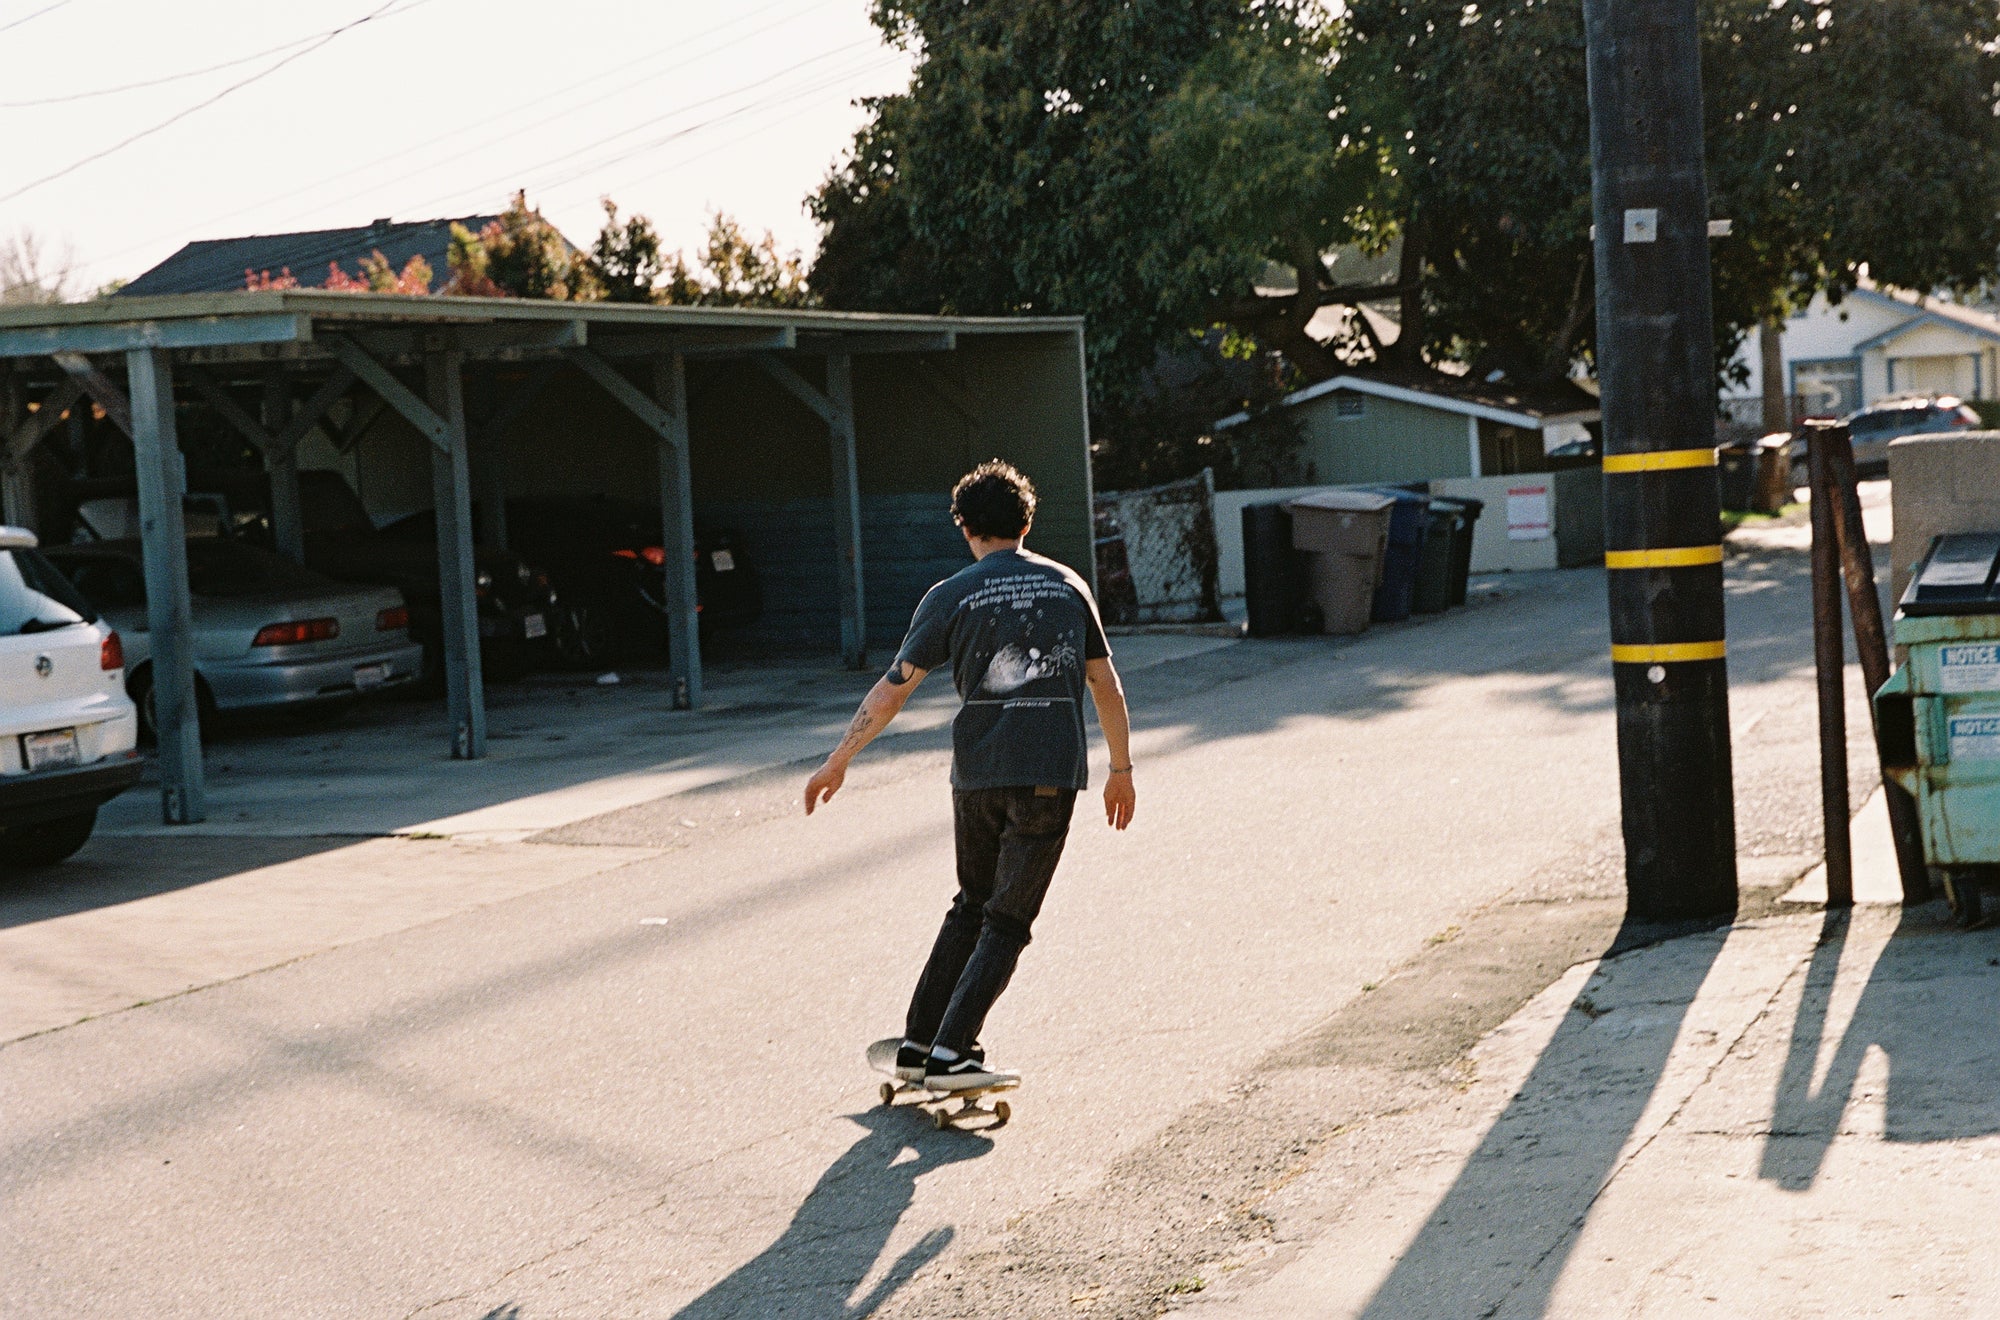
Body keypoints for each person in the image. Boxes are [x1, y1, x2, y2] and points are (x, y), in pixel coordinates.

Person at [804, 459, 1135, 1091]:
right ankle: (953, 1051)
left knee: (971, 906)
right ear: (1027, 521)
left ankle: (919, 1043)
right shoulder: (1068, 586)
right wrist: (1121, 769)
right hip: (1047, 774)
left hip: (977, 776)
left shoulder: (949, 595)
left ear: (965, 527)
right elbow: (1105, 683)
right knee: (1006, 920)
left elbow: (892, 690)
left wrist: (838, 759)